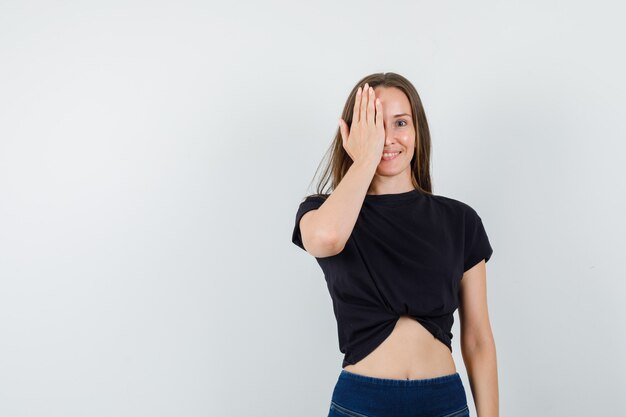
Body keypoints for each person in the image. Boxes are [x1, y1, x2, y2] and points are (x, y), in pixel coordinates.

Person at [291, 72, 499, 417]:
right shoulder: (322, 212)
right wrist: (365, 158)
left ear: (418, 130)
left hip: (442, 401)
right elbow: (326, 239)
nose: (387, 138)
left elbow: (478, 338)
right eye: (373, 125)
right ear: (353, 134)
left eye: (399, 122)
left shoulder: (459, 220)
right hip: (362, 403)